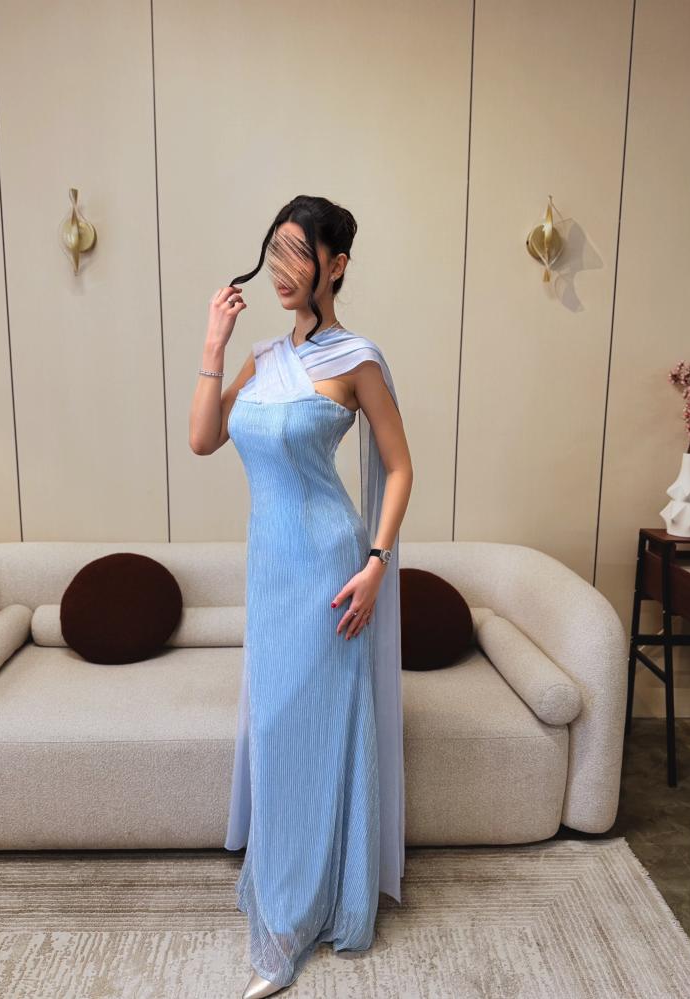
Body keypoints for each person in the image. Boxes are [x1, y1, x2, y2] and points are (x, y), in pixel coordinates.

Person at [189, 195, 413, 997]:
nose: (282, 270)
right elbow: (203, 438)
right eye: (274, 252)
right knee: (278, 732)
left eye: (298, 253)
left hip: (329, 570)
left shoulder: (358, 360)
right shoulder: (260, 358)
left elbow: (400, 466)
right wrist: (214, 345)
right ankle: (286, 888)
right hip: (269, 572)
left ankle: (292, 921)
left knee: (311, 734)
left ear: (336, 264)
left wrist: (377, 560)